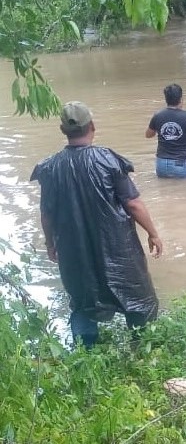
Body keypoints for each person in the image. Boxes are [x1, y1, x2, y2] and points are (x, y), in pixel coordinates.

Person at [30, 101, 163, 349]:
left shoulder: (49, 168)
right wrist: (153, 233)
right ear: (92, 126)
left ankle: (85, 353)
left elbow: (46, 214)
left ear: (63, 130)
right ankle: (143, 348)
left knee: (81, 297)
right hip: (117, 248)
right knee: (136, 297)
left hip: (73, 250)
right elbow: (132, 204)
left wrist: (50, 244)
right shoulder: (108, 160)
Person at [146, 83, 186, 178]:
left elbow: (148, 135)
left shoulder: (157, 115)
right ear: (181, 99)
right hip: (180, 165)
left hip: (161, 164)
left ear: (166, 99)